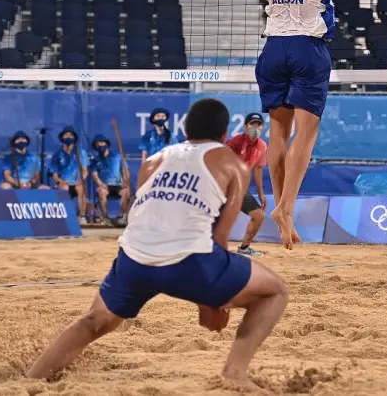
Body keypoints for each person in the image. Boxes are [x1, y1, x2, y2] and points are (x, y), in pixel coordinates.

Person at [170, 0, 387, 248]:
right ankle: (286, 207)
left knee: (278, 136)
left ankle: (282, 210)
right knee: (305, 138)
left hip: (272, 49)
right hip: (307, 48)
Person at [27, 98, 288, 389]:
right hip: (189, 262)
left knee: (95, 321)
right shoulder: (232, 163)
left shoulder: (153, 161)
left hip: (133, 258)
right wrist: (211, 301)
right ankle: (235, 372)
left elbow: (149, 214)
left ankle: (30, 380)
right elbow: (218, 236)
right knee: (275, 291)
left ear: (185, 130)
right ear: (225, 135)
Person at [226, 112, 268, 257]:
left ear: (262, 127)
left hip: (240, 188)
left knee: (259, 216)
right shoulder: (235, 142)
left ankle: (244, 248)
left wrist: (261, 194)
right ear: (245, 126)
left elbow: (257, 169)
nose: (255, 127)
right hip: (224, 185)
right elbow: (222, 161)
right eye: (252, 124)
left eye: (258, 124)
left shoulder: (262, 146)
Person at [48, 126, 90, 222]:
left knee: (81, 188)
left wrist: (81, 180)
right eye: (66, 135)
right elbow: (54, 175)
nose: (68, 137)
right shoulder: (57, 155)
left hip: (77, 182)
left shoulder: (81, 153)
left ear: (74, 138)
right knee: (63, 188)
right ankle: (65, 217)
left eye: (70, 135)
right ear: (62, 138)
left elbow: (85, 171)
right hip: (64, 182)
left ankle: (82, 216)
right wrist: (61, 181)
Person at [89, 134, 132, 226]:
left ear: (107, 144)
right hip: (105, 186)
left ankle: (122, 217)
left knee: (126, 192)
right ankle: (105, 217)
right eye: (97, 144)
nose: (100, 145)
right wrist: (100, 183)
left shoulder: (117, 157)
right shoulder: (95, 161)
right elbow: (94, 175)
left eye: (102, 143)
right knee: (101, 191)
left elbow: (125, 171)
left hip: (118, 185)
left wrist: (125, 182)